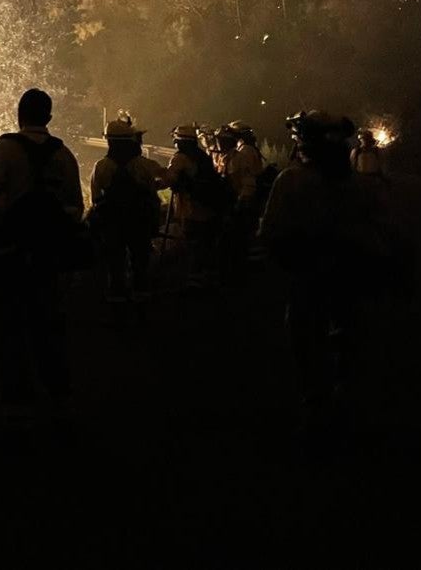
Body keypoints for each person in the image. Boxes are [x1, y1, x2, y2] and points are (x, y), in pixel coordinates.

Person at [260, 111, 391, 438]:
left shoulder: (290, 181)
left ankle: (316, 407)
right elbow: (381, 234)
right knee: (347, 336)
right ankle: (345, 399)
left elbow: (271, 232)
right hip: (351, 277)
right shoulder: (361, 187)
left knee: (305, 338)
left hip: (308, 278)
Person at [0, 89, 84, 416]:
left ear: (19, 115)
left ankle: (18, 401)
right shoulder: (63, 155)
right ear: (49, 117)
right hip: (48, 259)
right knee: (48, 324)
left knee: (9, 328)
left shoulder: (6, 149)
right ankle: (59, 394)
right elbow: (75, 207)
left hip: (7, 257)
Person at [87, 116, 161, 304]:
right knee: (140, 257)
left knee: (115, 258)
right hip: (140, 219)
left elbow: (95, 197)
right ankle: (141, 292)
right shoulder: (143, 165)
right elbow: (168, 178)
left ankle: (117, 294)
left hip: (113, 221)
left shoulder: (102, 166)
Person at [167, 124, 227, 290]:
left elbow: (170, 178)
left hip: (190, 206)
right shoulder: (202, 156)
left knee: (193, 243)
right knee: (206, 242)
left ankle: (195, 281)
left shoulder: (180, 158)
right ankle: (209, 276)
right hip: (208, 205)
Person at [222, 121, 266, 279]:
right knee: (248, 231)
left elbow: (245, 176)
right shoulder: (249, 149)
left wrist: (240, 199)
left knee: (244, 231)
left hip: (245, 196)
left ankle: (246, 269)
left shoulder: (244, 151)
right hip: (250, 195)